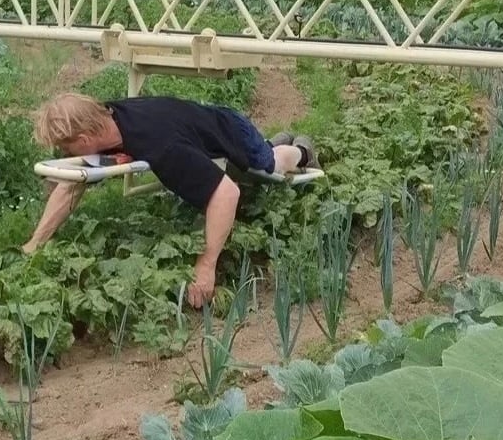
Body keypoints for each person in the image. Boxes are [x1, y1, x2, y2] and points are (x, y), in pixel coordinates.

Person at [23, 92, 319, 308]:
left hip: (230, 130)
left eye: (66, 147)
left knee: (267, 166)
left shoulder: (160, 145)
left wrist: (206, 265)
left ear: (86, 140)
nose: (66, 154)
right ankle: (276, 141)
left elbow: (227, 194)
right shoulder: (108, 115)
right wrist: (35, 244)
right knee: (259, 157)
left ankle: (301, 150)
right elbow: (71, 184)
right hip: (196, 121)